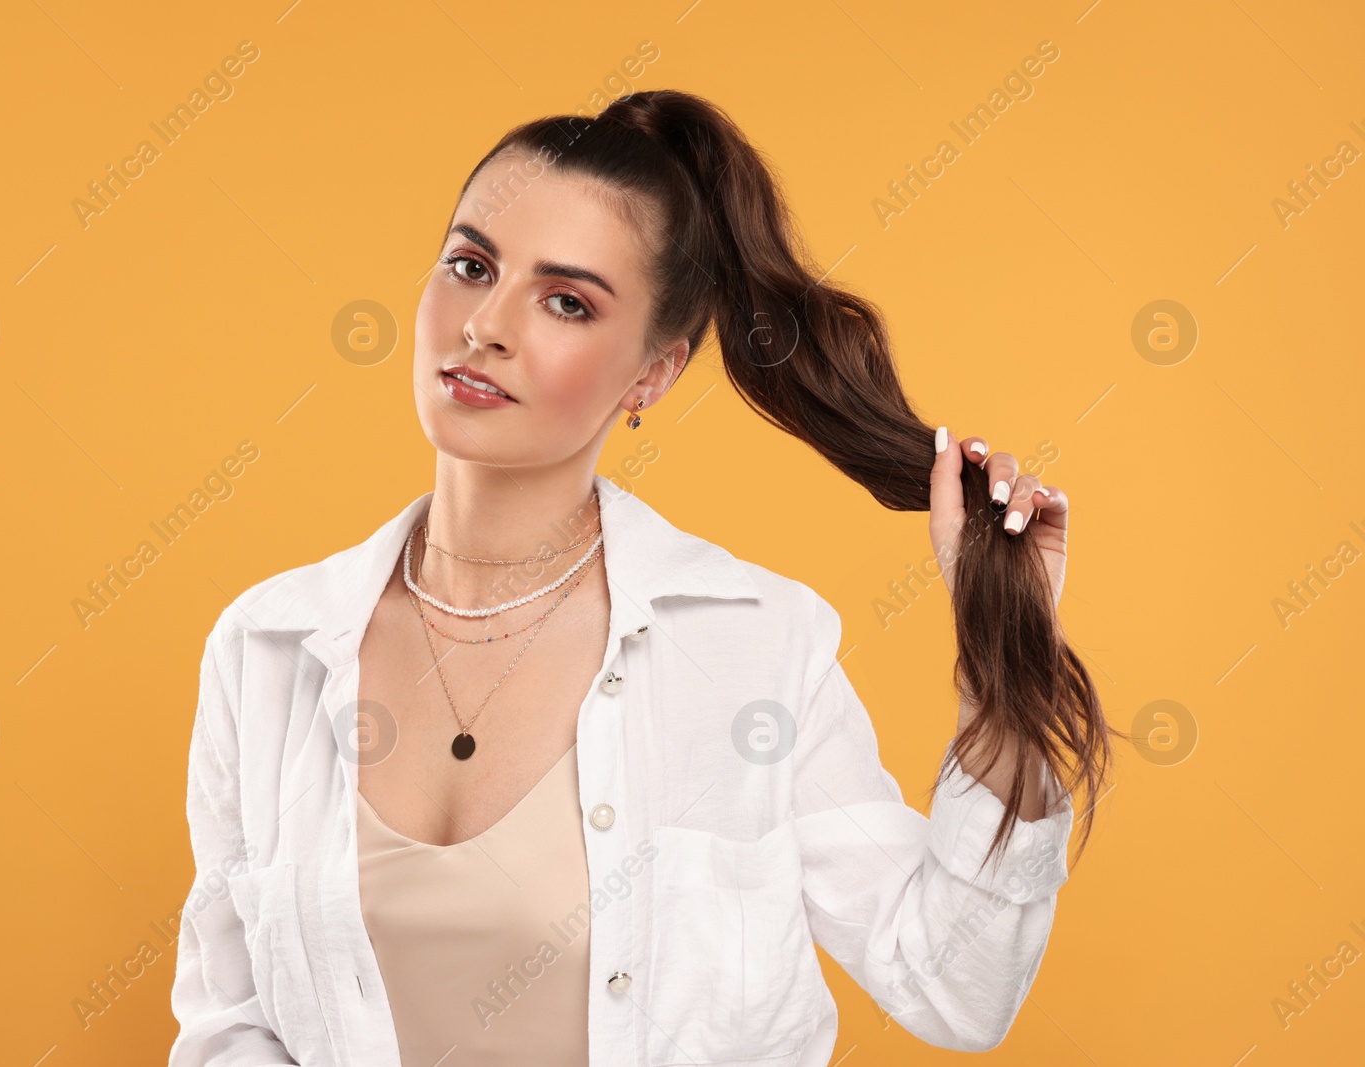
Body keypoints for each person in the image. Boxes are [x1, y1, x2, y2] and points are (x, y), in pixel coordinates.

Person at [167, 89, 1115, 1067]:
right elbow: (231, 1024)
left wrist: (1011, 645)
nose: (486, 323)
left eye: (566, 300)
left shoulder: (752, 645)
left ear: (652, 375)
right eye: (470, 264)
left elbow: (952, 988)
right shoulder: (268, 645)